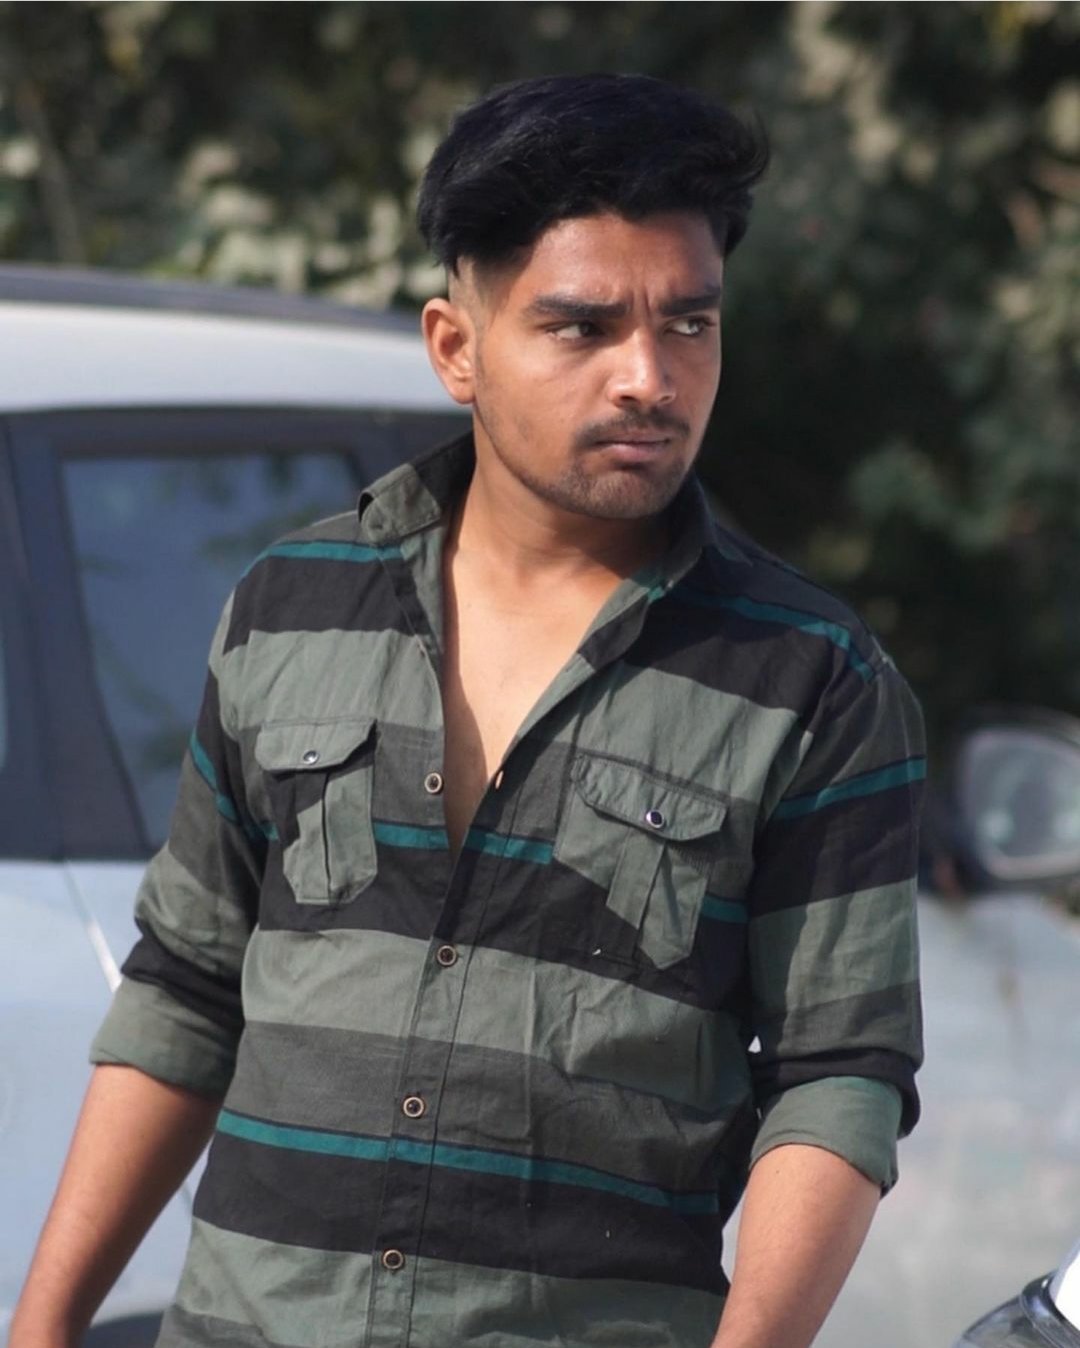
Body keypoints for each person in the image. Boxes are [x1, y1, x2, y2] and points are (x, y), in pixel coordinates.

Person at [12, 73, 925, 1348]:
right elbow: (186, 988)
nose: (649, 377)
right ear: (457, 347)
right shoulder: (290, 606)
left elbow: (839, 1078)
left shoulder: (814, 680)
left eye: (690, 323)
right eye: (582, 326)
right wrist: (44, 1324)